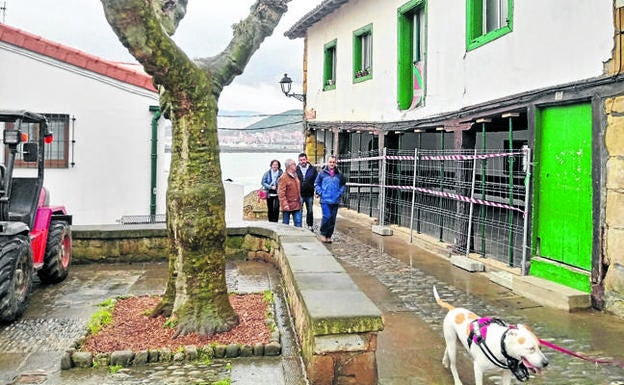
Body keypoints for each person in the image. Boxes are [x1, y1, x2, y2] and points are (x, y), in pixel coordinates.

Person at [314, 155, 346, 243]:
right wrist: (320, 192)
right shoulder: (322, 173)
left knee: (332, 219)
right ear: (327, 162)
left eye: (333, 162)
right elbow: (316, 183)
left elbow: (343, 185)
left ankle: (329, 235)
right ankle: (323, 233)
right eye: (330, 162)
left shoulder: (339, 174)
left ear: (336, 163)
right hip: (325, 200)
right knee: (326, 216)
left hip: (335, 200)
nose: (332, 164)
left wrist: (339, 193)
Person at [296, 152, 318, 231]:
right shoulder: (296, 169)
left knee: (310, 211)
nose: (303, 161)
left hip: (309, 194)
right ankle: (299, 226)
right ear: (299, 161)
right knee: (299, 211)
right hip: (300, 194)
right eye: (301, 160)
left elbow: (317, 181)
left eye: (304, 159)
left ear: (307, 159)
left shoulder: (312, 169)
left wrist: (317, 192)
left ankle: (310, 225)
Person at [278, 158, 302, 227]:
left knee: (298, 224)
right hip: (287, 205)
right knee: (286, 225)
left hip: (296, 204)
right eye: (294, 164)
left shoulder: (295, 175)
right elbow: (281, 193)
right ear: (289, 166)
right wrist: (285, 204)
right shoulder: (283, 178)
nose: (296, 165)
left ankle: (299, 237)